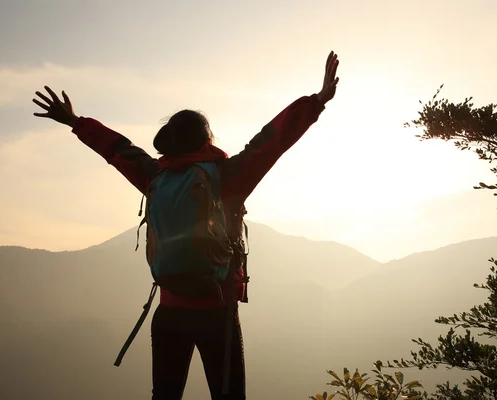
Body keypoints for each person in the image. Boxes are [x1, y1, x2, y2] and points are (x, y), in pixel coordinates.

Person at [32, 51, 340, 400]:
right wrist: (316, 102)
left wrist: (76, 121)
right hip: (217, 312)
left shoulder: (154, 176)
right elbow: (271, 141)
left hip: (169, 311)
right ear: (207, 139)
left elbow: (117, 149)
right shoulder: (227, 177)